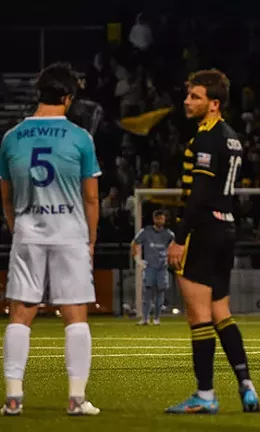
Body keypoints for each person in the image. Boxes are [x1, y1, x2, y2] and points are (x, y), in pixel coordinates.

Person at [0, 62, 101, 416]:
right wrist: (89, 241)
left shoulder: (11, 137)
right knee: (75, 315)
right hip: (70, 232)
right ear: (68, 96)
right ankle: (76, 399)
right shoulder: (79, 137)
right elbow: (91, 198)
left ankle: (13, 397)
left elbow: (7, 198)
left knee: (20, 314)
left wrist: (19, 229)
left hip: (28, 231)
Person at [165, 69, 260, 414]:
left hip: (204, 230)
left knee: (199, 316)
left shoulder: (206, 137)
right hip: (227, 228)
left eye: (195, 96)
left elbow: (200, 193)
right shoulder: (232, 136)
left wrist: (179, 237)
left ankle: (205, 395)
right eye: (188, 95)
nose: (187, 101)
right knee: (221, 311)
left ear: (214, 103)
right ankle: (246, 383)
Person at [131, 209, 174, 325]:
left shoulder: (168, 234)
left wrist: (171, 259)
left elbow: (175, 246)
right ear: (154, 219)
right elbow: (134, 243)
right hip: (150, 266)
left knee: (160, 292)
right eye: (158, 218)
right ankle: (145, 318)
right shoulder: (146, 232)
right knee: (147, 291)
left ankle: (156, 318)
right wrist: (138, 260)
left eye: (162, 218)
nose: (160, 220)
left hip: (162, 267)